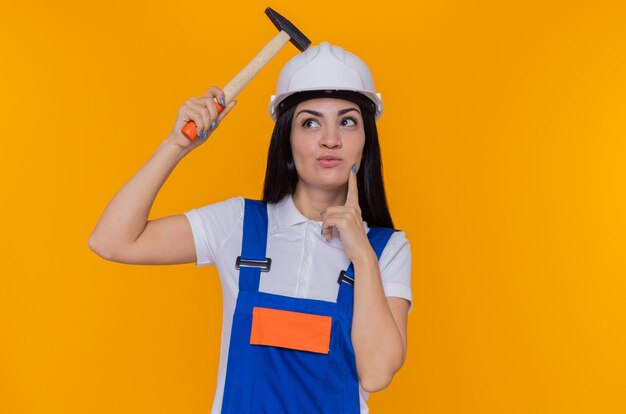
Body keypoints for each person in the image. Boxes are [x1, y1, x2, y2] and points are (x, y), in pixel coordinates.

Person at [89, 41, 412, 414]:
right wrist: (176, 145)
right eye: (310, 122)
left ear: (365, 140)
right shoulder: (238, 224)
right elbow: (111, 241)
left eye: (347, 121)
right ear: (286, 137)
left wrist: (362, 254)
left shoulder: (387, 249)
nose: (330, 139)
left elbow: (376, 375)